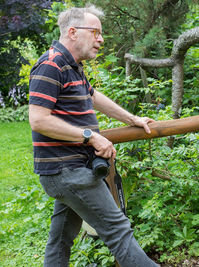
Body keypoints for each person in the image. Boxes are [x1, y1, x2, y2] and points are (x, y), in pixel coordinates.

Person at [29, 5, 159, 267]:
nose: (101, 39)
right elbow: (39, 119)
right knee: (119, 231)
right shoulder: (50, 65)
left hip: (68, 169)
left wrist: (132, 119)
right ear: (73, 32)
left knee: (60, 239)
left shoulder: (72, 66)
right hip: (68, 170)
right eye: (96, 32)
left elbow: (93, 96)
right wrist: (91, 136)